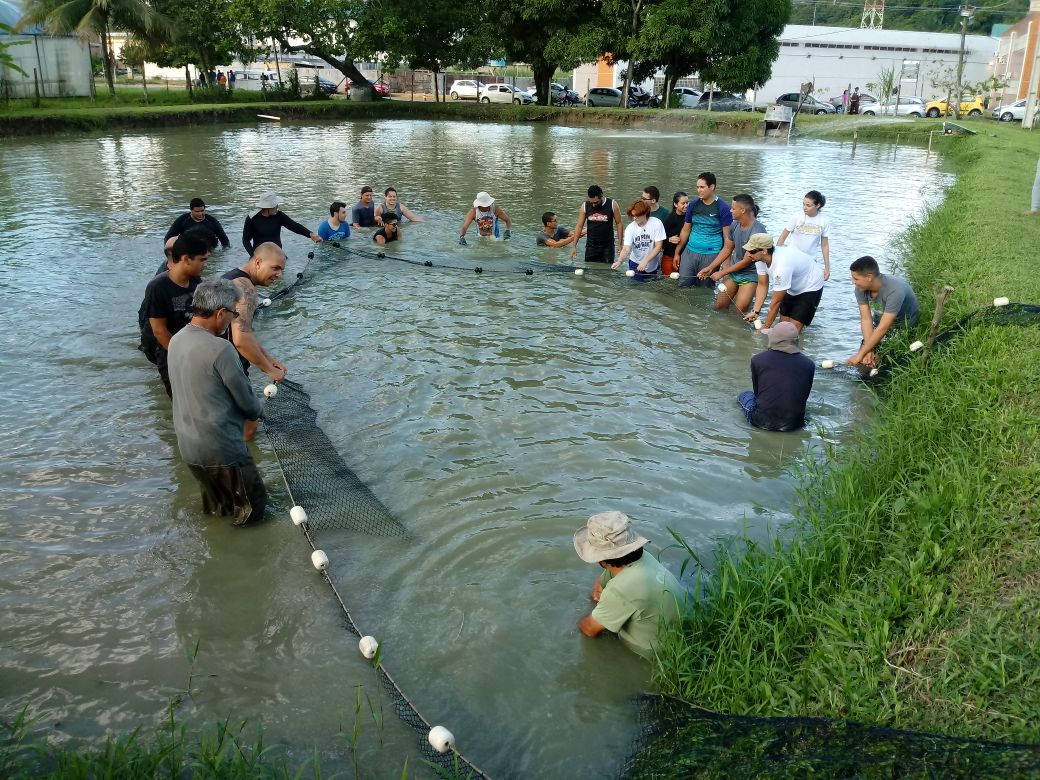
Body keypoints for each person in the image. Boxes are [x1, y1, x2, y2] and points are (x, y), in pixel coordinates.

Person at [167, 278, 266, 526]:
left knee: (218, 511)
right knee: (252, 513)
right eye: (233, 313)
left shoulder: (176, 340)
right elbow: (248, 404)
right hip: (222, 451)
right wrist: (258, 408)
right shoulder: (221, 349)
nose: (232, 318)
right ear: (221, 312)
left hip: (190, 448)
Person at [574, 511, 684, 660]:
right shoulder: (642, 558)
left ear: (601, 559)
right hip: (680, 636)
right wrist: (601, 603)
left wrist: (572, 622)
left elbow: (589, 629)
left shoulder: (621, 590)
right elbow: (600, 583)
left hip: (655, 654)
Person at [221, 243, 288, 441]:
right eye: (275, 268)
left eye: (282, 270)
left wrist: (269, 359)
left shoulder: (233, 277)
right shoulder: (245, 288)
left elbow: (245, 332)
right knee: (250, 424)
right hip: (226, 364)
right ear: (258, 262)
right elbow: (241, 339)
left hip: (213, 359)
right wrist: (270, 370)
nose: (279, 275)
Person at [140, 230, 210, 396]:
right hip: (172, 354)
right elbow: (159, 330)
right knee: (183, 403)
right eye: (202, 260)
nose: (205, 264)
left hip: (193, 348)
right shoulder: (158, 287)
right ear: (186, 259)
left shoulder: (195, 279)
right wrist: (183, 356)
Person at [737, 321, 816, 432]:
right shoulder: (809, 364)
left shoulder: (758, 359)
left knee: (744, 395)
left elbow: (757, 393)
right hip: (795, 425)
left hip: (761, 422)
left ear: (774, 339)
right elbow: (804, 397)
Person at [846, 256, 920, 368]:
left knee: (877, 361)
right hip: (879, 323)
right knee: (865, 360)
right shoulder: (860, 288)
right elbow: (866, 319)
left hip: (902, 326)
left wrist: (860, 354)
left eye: (856, 279)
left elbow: (884, 327)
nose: (853, 282)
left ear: (869, 277)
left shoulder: (895, 291)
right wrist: (867, 350)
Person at [741, 233, 824, 331]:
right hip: (790, 285)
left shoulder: (781, 266)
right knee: (783, 324)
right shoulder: (758, 259)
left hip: (810, 285)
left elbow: (776, 302)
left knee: (792, 329)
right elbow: (762, 285)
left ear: (764, 250)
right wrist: (755, 311)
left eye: (752, 251)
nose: (748, 254)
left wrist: (766, 327)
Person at [706, 194, 767, 314]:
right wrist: (710, 267)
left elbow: (746, 261)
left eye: (733, 208)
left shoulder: (757, 231)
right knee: (719, 307)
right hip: (734, 271)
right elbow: (727, 248)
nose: (730, 210)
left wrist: (721, 273)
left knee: (738, 312)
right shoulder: (734, 224)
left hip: (751, 274)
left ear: (743, 210)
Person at [676, 172, 733, 288]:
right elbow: (686, 230)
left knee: (705, 288)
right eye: (697, 187)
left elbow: (728, 238)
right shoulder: (693, 205)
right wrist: (677, 252)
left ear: (712, 187)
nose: (698, 190)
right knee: (682, 285)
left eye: (702, 187)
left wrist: (725, 264)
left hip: (711, 254)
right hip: (690, 252)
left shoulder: (723, 208)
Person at [777, 190, 831, 281]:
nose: (804, 208)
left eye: (808, 205)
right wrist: (777, 259)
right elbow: (782, 237)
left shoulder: (824, 221)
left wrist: (827, 268)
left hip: (810, 261)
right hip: (792, 258)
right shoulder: (797, 217)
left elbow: (824, 245)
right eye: (803, 204)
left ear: (817, 205)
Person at [242, 193, 320, 255]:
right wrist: (253, 256)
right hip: (260, 255)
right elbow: (245, 240)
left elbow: (295, 226)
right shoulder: (252, 218)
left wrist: (310, 234)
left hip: (277, 253)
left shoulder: (279, 215)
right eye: (275, 205)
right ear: (268, 207)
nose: (277, 206)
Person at [569, 185, 624, 264]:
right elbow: (579, 226)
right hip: (591, 246)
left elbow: (619, 223)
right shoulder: (585, 206)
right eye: (591, 202)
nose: (593, 205)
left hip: (607, 246)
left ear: (601, 196)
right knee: (589, 269)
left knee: (607, 270)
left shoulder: (612, 204)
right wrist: (574, 246)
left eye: (596, 202)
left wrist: (620, 244)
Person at [612, 200, 665, 279]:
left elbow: (658, 246)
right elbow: (626, 248)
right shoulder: (630, 228)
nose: (634, 218)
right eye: (633, 216)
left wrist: (646, 261)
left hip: (652, 263)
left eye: (637, 216)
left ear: (645, 213)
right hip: (635, 262)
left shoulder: (656, 223)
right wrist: (619, 261)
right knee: (636, 286)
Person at [164, 197, 231, 250]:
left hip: (209, 250)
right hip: (189, 250)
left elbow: (224, 240)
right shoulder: (182, 220)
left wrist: (223, 254)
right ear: (191, 210)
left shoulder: (212, 221)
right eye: (197, 211)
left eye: (202, 211)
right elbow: (168, 238)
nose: (200, 213)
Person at [660, 191, 688, 277]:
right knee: (669, 282)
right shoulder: (669, 219)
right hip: (669, 256)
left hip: (686, 257)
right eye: (683, 203)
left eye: (687, 202)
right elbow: (659, 241)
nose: (686, 205)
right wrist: (669, 239)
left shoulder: (689, 217)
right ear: (675, 204)